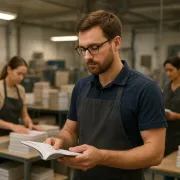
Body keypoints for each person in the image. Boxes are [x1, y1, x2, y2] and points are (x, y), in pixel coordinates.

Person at [45, 10, 167, 180]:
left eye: (94, 48)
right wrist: (59, 142)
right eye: (83, 49)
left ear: (116, 43)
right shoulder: (81, 86)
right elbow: (70, 131)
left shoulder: (145, 89)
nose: (87, 57)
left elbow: (154, 153)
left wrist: (101, 157)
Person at [0, 56, 41, 136]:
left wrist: (30, 124)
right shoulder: (0, 88)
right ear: (9, 70)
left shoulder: (21, 89)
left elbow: (24, 115)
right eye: (19, 74)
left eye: (24, 75)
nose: (21, 78)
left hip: (14, 136)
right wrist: (12, 126)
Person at [163, 56, 180, 180]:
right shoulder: (167, 86)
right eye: (166, 70)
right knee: (167, 170)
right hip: (168, 134)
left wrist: (177, 116)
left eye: (171, 70)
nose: (168, 73)